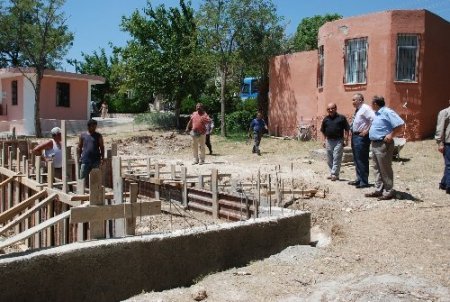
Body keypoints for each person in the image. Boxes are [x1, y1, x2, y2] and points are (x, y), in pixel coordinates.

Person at [365, 96, 405, 200]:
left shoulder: (387, 111)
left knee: (385, 168)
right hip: (374, 143)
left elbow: (400, 124)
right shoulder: (377, 113)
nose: (371, 105)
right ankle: (379, 189)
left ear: (375, 104)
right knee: (376, 168)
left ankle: (388, 191)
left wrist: (391, 135)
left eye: (372, 103)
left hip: (383, 143)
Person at [349, 93, 375, 188]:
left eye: (354, 100)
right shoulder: (358, 110)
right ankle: (359, 179)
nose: (353, 102)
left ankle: (364, 182)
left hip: (362, 137)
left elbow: (374, 119)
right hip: (355, 136)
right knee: (356, 158)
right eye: (352, 100)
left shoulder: (365, 108)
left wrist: (367, 131)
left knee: (362, 159)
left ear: (360, 100)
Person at [320, 103, 350, 181]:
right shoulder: (326, 119)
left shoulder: (341, 118)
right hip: (329, 141)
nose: (331, 110)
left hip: (338, 141)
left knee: (337, 157)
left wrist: (346, 140)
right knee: (329, 159)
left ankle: (335, 174)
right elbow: (323, 130)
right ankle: (331, 173)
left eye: (332, 108)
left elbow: (347, 129)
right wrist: (324, 140)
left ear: (336, 108)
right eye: (329, 109)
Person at [435, 98, 450, 195]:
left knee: (449, 164)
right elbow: (440, 128)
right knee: (449, 165)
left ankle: (444, 184)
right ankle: (449, 186)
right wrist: (440, 142)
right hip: (449, 142)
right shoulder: (444, 112)